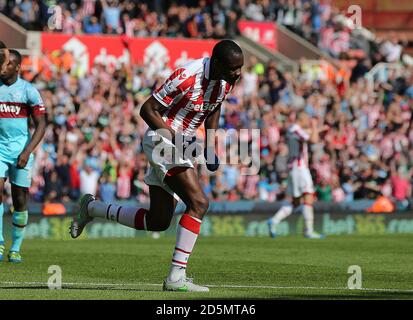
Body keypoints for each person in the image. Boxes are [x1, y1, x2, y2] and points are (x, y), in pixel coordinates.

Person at [70, 39, 244, 292]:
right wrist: (177, 140)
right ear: (216, 63)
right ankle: (176, 277)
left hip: (182, 144)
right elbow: (147, 109)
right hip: (163, 139)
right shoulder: (186, 77)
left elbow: (213, 108)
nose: (237, 74)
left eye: (240, 68)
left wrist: (210, 145)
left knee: (158, 220)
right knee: (199, 203)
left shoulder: (227, 79)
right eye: (233, 69)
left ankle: (93, 208)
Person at [0, 49, 47, 262]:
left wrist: (27, 151)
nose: (3, 67)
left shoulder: (28, 91)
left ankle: (15, 247)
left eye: (8, 64)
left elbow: (41, 125)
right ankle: (0, 242)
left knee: (19, 200)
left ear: (17, 67)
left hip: (21, 152)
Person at [268, 111, 328, 239]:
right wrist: (314, 126)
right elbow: (313, 140)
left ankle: (274, 221)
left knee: (294, 202)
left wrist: (319, 128)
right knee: (308, 196)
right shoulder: (297, 130)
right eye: (308, 119)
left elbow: (305, 132)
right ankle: (309, 231)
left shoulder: (292, 129)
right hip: (300, 168)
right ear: (303, 119)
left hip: (293, 169)